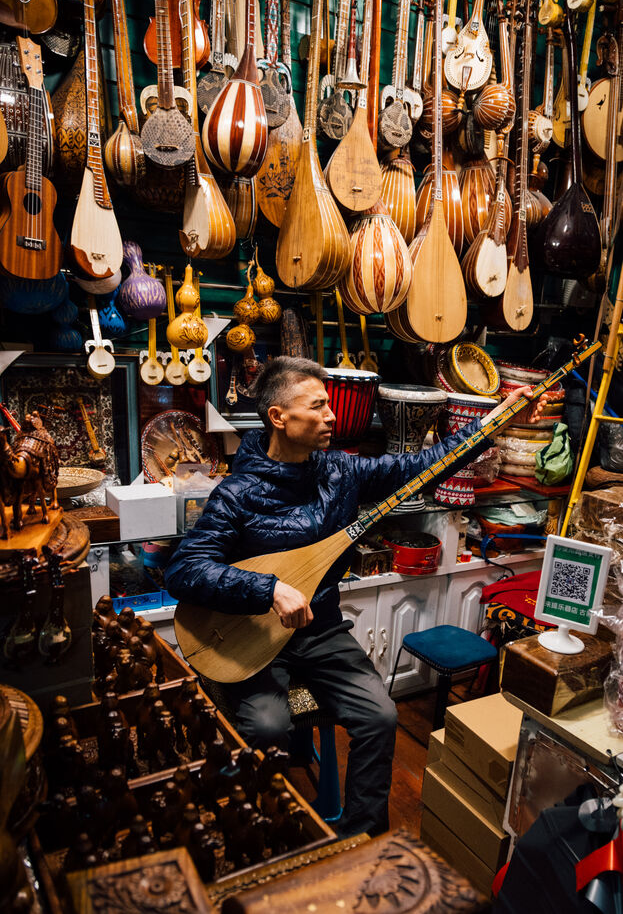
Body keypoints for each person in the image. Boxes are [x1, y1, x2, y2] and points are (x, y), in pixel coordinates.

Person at [165, 356, 543, 837]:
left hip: (320, 627)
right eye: (317, 406)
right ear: (278, 416)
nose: (331, 416)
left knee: (380, 715)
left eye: (329, 405)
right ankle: (262, 830)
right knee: (268, 727)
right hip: (252, 634)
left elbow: (421, 466)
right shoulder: (236, 494)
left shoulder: (341, 471)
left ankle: (362, 836)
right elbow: (184, 570)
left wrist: (492, 425)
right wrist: (268, 588)